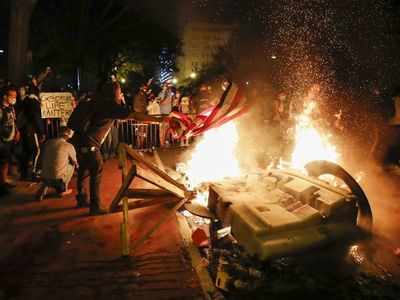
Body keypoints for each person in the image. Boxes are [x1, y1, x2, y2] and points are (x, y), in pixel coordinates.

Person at [68, 80, 158, 215]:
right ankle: (95, 207)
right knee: (96, 171)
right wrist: (161, 120)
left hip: (78, 142)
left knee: (84, 169)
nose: (121, 93)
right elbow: (134, 116)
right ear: (114, 93)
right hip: (90, 145)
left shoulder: (93, 101)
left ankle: (81, 198)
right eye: (119, 90)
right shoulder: (109, 106)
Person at [35, 127, 77, 201]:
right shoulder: (69, 146)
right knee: (72, 165)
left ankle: (44, 187)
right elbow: (75, 163)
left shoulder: (48, 142)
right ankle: (63, 189)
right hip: (58, 180)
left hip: (44, 176)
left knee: (50, 163)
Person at [0, 86, 19, 195]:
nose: (14, 98)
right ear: (5, 96)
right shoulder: (1, 109)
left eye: (15, 96)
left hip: (10, 140)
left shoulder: (11, 108)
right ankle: (1, 186)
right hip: (2, 141)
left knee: (6, 162)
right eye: (12, 96)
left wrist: (17, 131)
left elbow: (13, 121)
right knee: (2, 162)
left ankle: (4, 181)